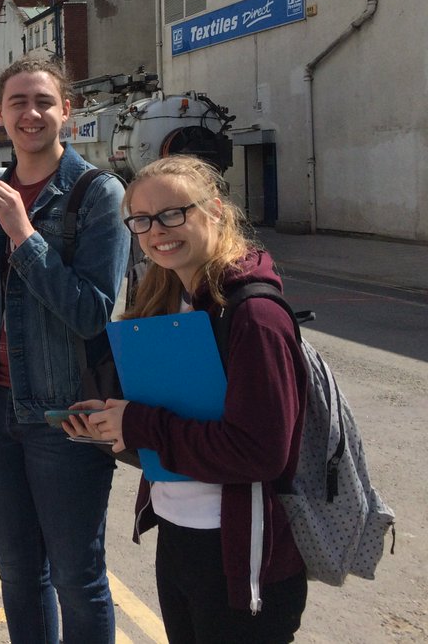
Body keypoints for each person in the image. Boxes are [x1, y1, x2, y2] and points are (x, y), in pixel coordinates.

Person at [77, 155, 308, 642]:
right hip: (178, 532)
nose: (157, 230)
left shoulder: (255, 315)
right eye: (141, 219)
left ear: (216, 211)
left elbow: (260, 452)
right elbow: (169, 428)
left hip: (239, 553)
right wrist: (113, 427)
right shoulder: (165, 301)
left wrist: (138, 424)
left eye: (173, 213)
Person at [0, 57, 129, 644]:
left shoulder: (97, 194)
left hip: (67, 414)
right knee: (19, 572)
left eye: (44, 101)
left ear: (67, 112)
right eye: (18, 102)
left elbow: (91, 312)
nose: (31, 113)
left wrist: (25, 234)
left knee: (77, 577)